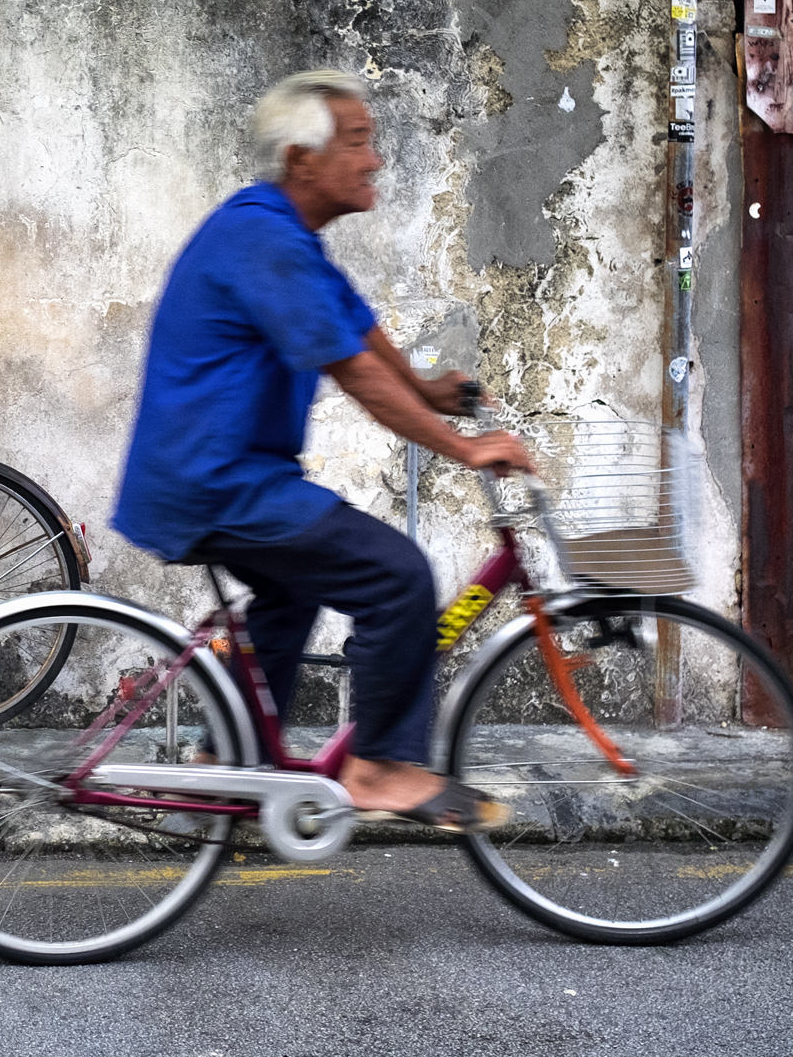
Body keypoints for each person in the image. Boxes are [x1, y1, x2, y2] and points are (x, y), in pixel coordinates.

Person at [112, 70, 533, 831]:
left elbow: (361, 333)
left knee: (291, 588)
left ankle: (222, 764)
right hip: (218, 484)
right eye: (358, 141)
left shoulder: (287, 238)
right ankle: (377, 767)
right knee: (395, 573)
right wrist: (462, 447)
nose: (375, 160)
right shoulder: (262, 238)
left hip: (223, 479)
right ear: (303, 158)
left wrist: (433, 390)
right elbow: (358, 374)